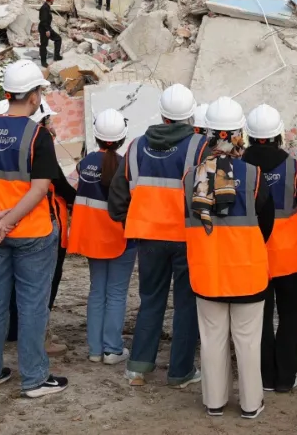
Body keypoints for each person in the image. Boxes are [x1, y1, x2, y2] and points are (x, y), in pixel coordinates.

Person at [0, 60, 68, 398]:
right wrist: (7, 221)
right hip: (32, 233)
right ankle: (34, 379)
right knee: (33, 305)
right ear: (34, 96)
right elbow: (39, 189)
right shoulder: (38, 135)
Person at [108, 83, 208, 387]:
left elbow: (118, 194)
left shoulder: (137, 146)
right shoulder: (199, 147)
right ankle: (180, 372)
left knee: (150, 300)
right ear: (191, 116)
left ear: (162, 116)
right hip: (186, 238)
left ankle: (138, 367)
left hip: (148, 237)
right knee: (186, 303)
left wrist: (133, 220)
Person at [184, 97, 274, 419]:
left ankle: (214, 402)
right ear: (239, 134)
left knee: (211, 340)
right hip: (247, 273)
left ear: (209, 134)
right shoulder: (254, 176)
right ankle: (251, 404)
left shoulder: (190, 179)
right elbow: (267, 222)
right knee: (248, 342)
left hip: (207, 274)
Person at [0, 97, 75, 356]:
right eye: (48, 120)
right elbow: (58, 185)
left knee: (4, 287)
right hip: (37, 226)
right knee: (41, 287)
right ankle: (39, 340)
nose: (53, 127)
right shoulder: (37, 144)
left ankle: (12, 331)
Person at [244, 104, 297, 393]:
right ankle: (286, 375)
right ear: (278, 134)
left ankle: (264, 375)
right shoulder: (292, 165)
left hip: (255, 253)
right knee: (289, 313)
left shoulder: (240, 165)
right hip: (289, 254)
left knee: (262, 315)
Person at [68, 109, 136, 366]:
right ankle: (112, 349)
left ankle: (95, 349)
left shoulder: (83, 165)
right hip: (120, 239)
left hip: (92, 238)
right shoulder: (125, 167)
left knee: (97, 291)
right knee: (117, 293)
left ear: (96, 136)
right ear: (122, 138)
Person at [38, 0, 62, 68]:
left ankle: (56, 56)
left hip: (46, 27)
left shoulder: (47, 7)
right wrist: (47, 30)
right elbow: (43, 20)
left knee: (58, 38)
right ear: (51, 0)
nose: (53, 0)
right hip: (44, 29)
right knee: (44, 45)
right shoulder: (44, 8)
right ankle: (43, 62)